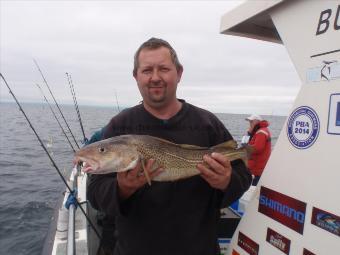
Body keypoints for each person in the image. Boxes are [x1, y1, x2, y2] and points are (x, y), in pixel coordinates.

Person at [87, 37, 252, 255]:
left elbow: (243, 176)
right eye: (147, 70)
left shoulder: (207, 124)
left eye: (163, 69)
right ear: (136, 76)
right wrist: (122, 189)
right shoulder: (120, 126)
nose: (155, 77)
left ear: (179, 73)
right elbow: (95, 192)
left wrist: (226, 182)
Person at [245, 114, 271, 186]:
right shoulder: (259, 131)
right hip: (256, 166)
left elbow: (257, 148)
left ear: (257, 122)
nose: (250, 124)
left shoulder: (261, 132)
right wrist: (249, 133)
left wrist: (245, 148)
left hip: (256, 168)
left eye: (251, 122)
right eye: (249, 122)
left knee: (253, 187)